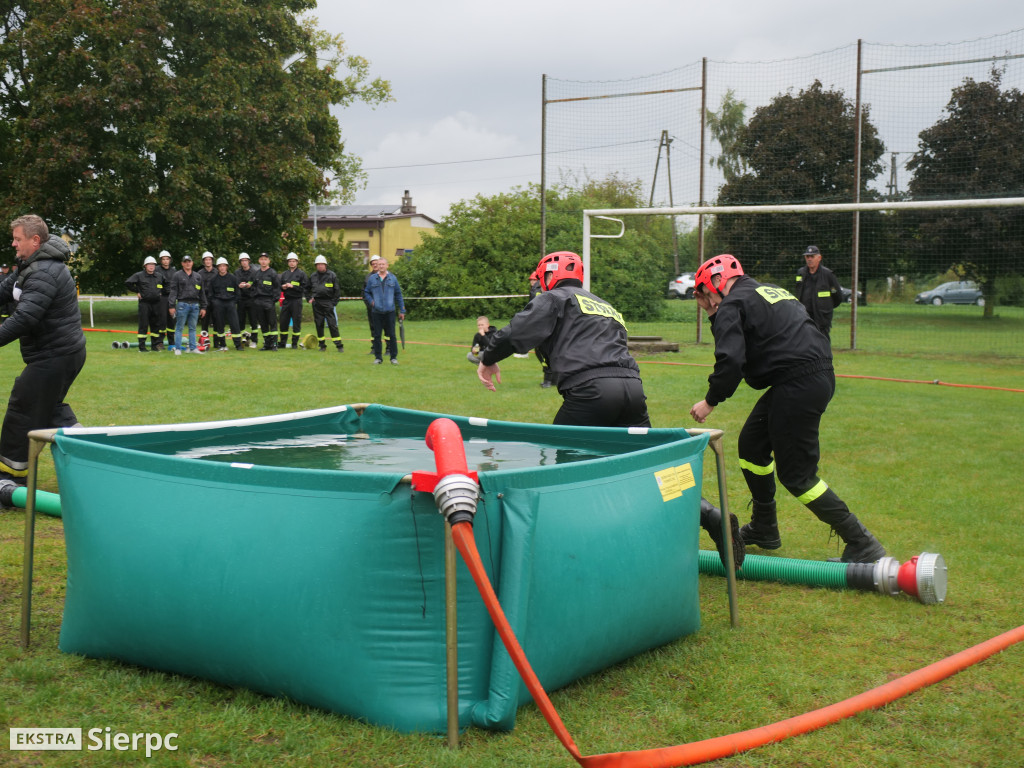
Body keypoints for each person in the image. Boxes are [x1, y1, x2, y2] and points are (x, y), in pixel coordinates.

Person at [478, 251, 741, 567]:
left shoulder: (555, 298)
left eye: (539, 280)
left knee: (555, 469)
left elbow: (516, 332)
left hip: (592, 391)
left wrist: (488, 357)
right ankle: (711, 514)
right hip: (631, 389)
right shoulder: (604, 305)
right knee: (651, 466)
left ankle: (553, 551)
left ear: (549, 275)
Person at [688, 253, 886, 564]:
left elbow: (732, 361)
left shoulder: (732, 304)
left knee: (798, 476)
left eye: (704, 294)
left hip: (798, 383)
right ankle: (765, 528)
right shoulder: (767, 290)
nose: (706, 302)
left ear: (716, 282)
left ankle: (861, 542)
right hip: (811, 375)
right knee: (752, 446)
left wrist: (710, 401)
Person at [0, 215, 87, 509]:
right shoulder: (29, 267)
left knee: (22, 409)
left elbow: (25, 318)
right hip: (57, 354)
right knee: (48, 409)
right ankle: (92, 451)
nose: (13, 242)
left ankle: (9, 481)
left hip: (56, 356)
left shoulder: (45, 272)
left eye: (17, 238)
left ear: (35, 240)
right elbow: (4, 291)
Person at [363, 257, 405, 365]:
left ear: (387, 266)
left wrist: (402, 310)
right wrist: (372, 301)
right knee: (377, 335)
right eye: (379, 264)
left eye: (383, 264)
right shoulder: (372, 278)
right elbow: (366, 292)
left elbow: (398, 295)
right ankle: (378, 358)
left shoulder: (393, 278)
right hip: (376, 312)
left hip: (390, 311)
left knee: (392, 335)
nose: (381, 266)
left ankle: (393, 358)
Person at [794, 245, 842, 340]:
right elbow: (798, 291)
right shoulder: (801, 273)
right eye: (808, 256)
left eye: (812, 256)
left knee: (822, 341)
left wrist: (826, 308)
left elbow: (837, 296)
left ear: (819, 258)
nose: (810, 259)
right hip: (804, 315)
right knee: (805, 340)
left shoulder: (828, 274)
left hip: (822, 316)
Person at [168, 255, 207, 355]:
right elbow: (173, 291)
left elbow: (202, 292)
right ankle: (177, 349)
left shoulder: (198, 276)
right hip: (182, 304)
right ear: (182, 264)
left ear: (192, 263)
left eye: (189, 261)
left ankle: (193, 348)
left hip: (195, 305)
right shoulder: (177, 275)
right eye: (185, 262)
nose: (187, 263)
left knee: (193, 328)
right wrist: (171, 306)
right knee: (179, 327)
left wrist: (203, 306)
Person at [124, 255, 164, 351]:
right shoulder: (139, 275)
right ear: (145, 266)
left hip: (156, 303)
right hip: (144, 304)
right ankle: (142, 347)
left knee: (156, 325)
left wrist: (161, 292)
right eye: (149, 264)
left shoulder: (159, 276)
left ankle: (154, 346)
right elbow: (128, 283)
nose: (151, 266)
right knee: (143, 325)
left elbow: (166, 284)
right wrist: (137, 291)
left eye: (153, 264)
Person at [307, 254, 344, 352]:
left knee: (332, 324)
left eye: (322, 264)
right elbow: (307, 288)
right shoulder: (313, 276)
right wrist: (309, 298)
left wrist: (333, 303)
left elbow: (337, 290)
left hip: (328, 303)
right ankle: (322, 345)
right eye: (318, 264)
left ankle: (339, 345)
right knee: (319, 324)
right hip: (317, 303)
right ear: (316, 266)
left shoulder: (332, 275)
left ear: (325, 265)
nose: (320, 266)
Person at [209, 257, 243, 350]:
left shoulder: (233, 278)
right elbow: (210, 294)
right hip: (218, 304)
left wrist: (233, 302)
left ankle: (238, 345)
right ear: (217, 267)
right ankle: (222, 344)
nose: (222, 268)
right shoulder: (213, 279)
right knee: (220, 324)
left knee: (235, 324)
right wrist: (215, 302)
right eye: (220, 266)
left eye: (224, 266)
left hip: (230, 303)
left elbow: (237, 292)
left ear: (227, 267)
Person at [278, 252, 308, 349]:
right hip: (286, 301)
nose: (292, 263)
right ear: (287, 262)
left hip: (296, 301)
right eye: (290, 261)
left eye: (293, 261)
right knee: (283, 322)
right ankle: (282, 342)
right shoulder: (284, 274)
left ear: (297, 262)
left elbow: (304, 288)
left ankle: (294, 343)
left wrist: (293, 286)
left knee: (296, 322)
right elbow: (280, 286)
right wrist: (283, 287)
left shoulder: (301, 274)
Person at [252, 252, 280, 351]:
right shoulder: (256, 273)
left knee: (272, 323)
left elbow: (277, 288)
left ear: (269, 261)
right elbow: (253, 286)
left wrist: (273, 300)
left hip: (269, 301)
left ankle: (275, 344)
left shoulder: (272, 273)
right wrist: (255, 298)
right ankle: (267, 344)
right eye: (261, 259)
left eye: (265, 259)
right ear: (259, 261)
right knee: (263, 324)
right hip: (258, 301)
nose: (263, 261)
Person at [234, 252, 259, 348]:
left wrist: (250, 284)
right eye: (242, 261)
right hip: (241, 299)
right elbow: (234, 284)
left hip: (252, 299)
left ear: (249, 261)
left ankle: (254, 341)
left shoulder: (255, 272)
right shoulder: (237, 272)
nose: (244, 262)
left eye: (246, 260)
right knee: (240, 321)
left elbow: (257, 284)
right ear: (240, 262)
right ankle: (242, 340)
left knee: (253, 321)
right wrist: (238, 286)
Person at [155, 250, 176, 348]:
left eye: (167, 259)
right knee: (162, 320)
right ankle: (160, 341)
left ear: (170, 260)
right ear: (161, 260)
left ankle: (172, 342)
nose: (165, 261)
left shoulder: (174, 271)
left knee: (172, 319)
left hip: (172, 297)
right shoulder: (156, 270)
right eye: (163, 259)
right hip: (161, 297)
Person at [196, 251, 216, 338]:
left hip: (215, 300)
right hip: (204, 301)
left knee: (217, 322)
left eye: (209, 260)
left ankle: (217, 343)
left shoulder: (217, 272)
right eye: (206, 260)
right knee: (204, 323)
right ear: (203, 261)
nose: (208, 261)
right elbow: (197, 288)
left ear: (212, 261)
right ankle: (204, 342)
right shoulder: (199, 273)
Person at [362, 255, 380, 354]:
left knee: (386, 328)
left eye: (376, 263)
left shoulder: (386, 275)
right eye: (373, 264)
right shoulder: (368, 277)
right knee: (373, 328)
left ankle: (389, 348)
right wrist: (369, 304)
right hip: (372, 308)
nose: (375, 265)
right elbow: (364, 292)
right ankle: (375, 348)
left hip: (384, 308)